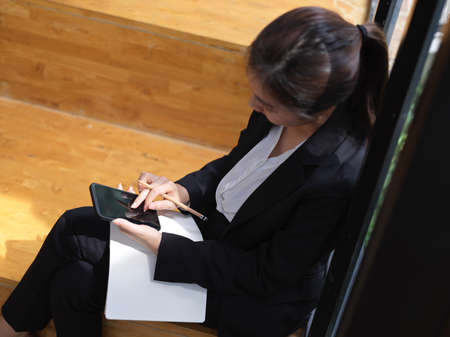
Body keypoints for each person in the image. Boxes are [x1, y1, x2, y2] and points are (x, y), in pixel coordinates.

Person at [0, 6, 388, 337]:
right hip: (211, 238)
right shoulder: (277, 113)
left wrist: (163, 248)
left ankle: (11, 326)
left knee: (74, 230)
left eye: (266, 103)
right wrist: (181, 192)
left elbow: (265, 275)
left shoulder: (338, 175)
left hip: (248, 292)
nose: (254, 105)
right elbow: (233, 165)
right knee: (75, 280)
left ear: (312, 108)